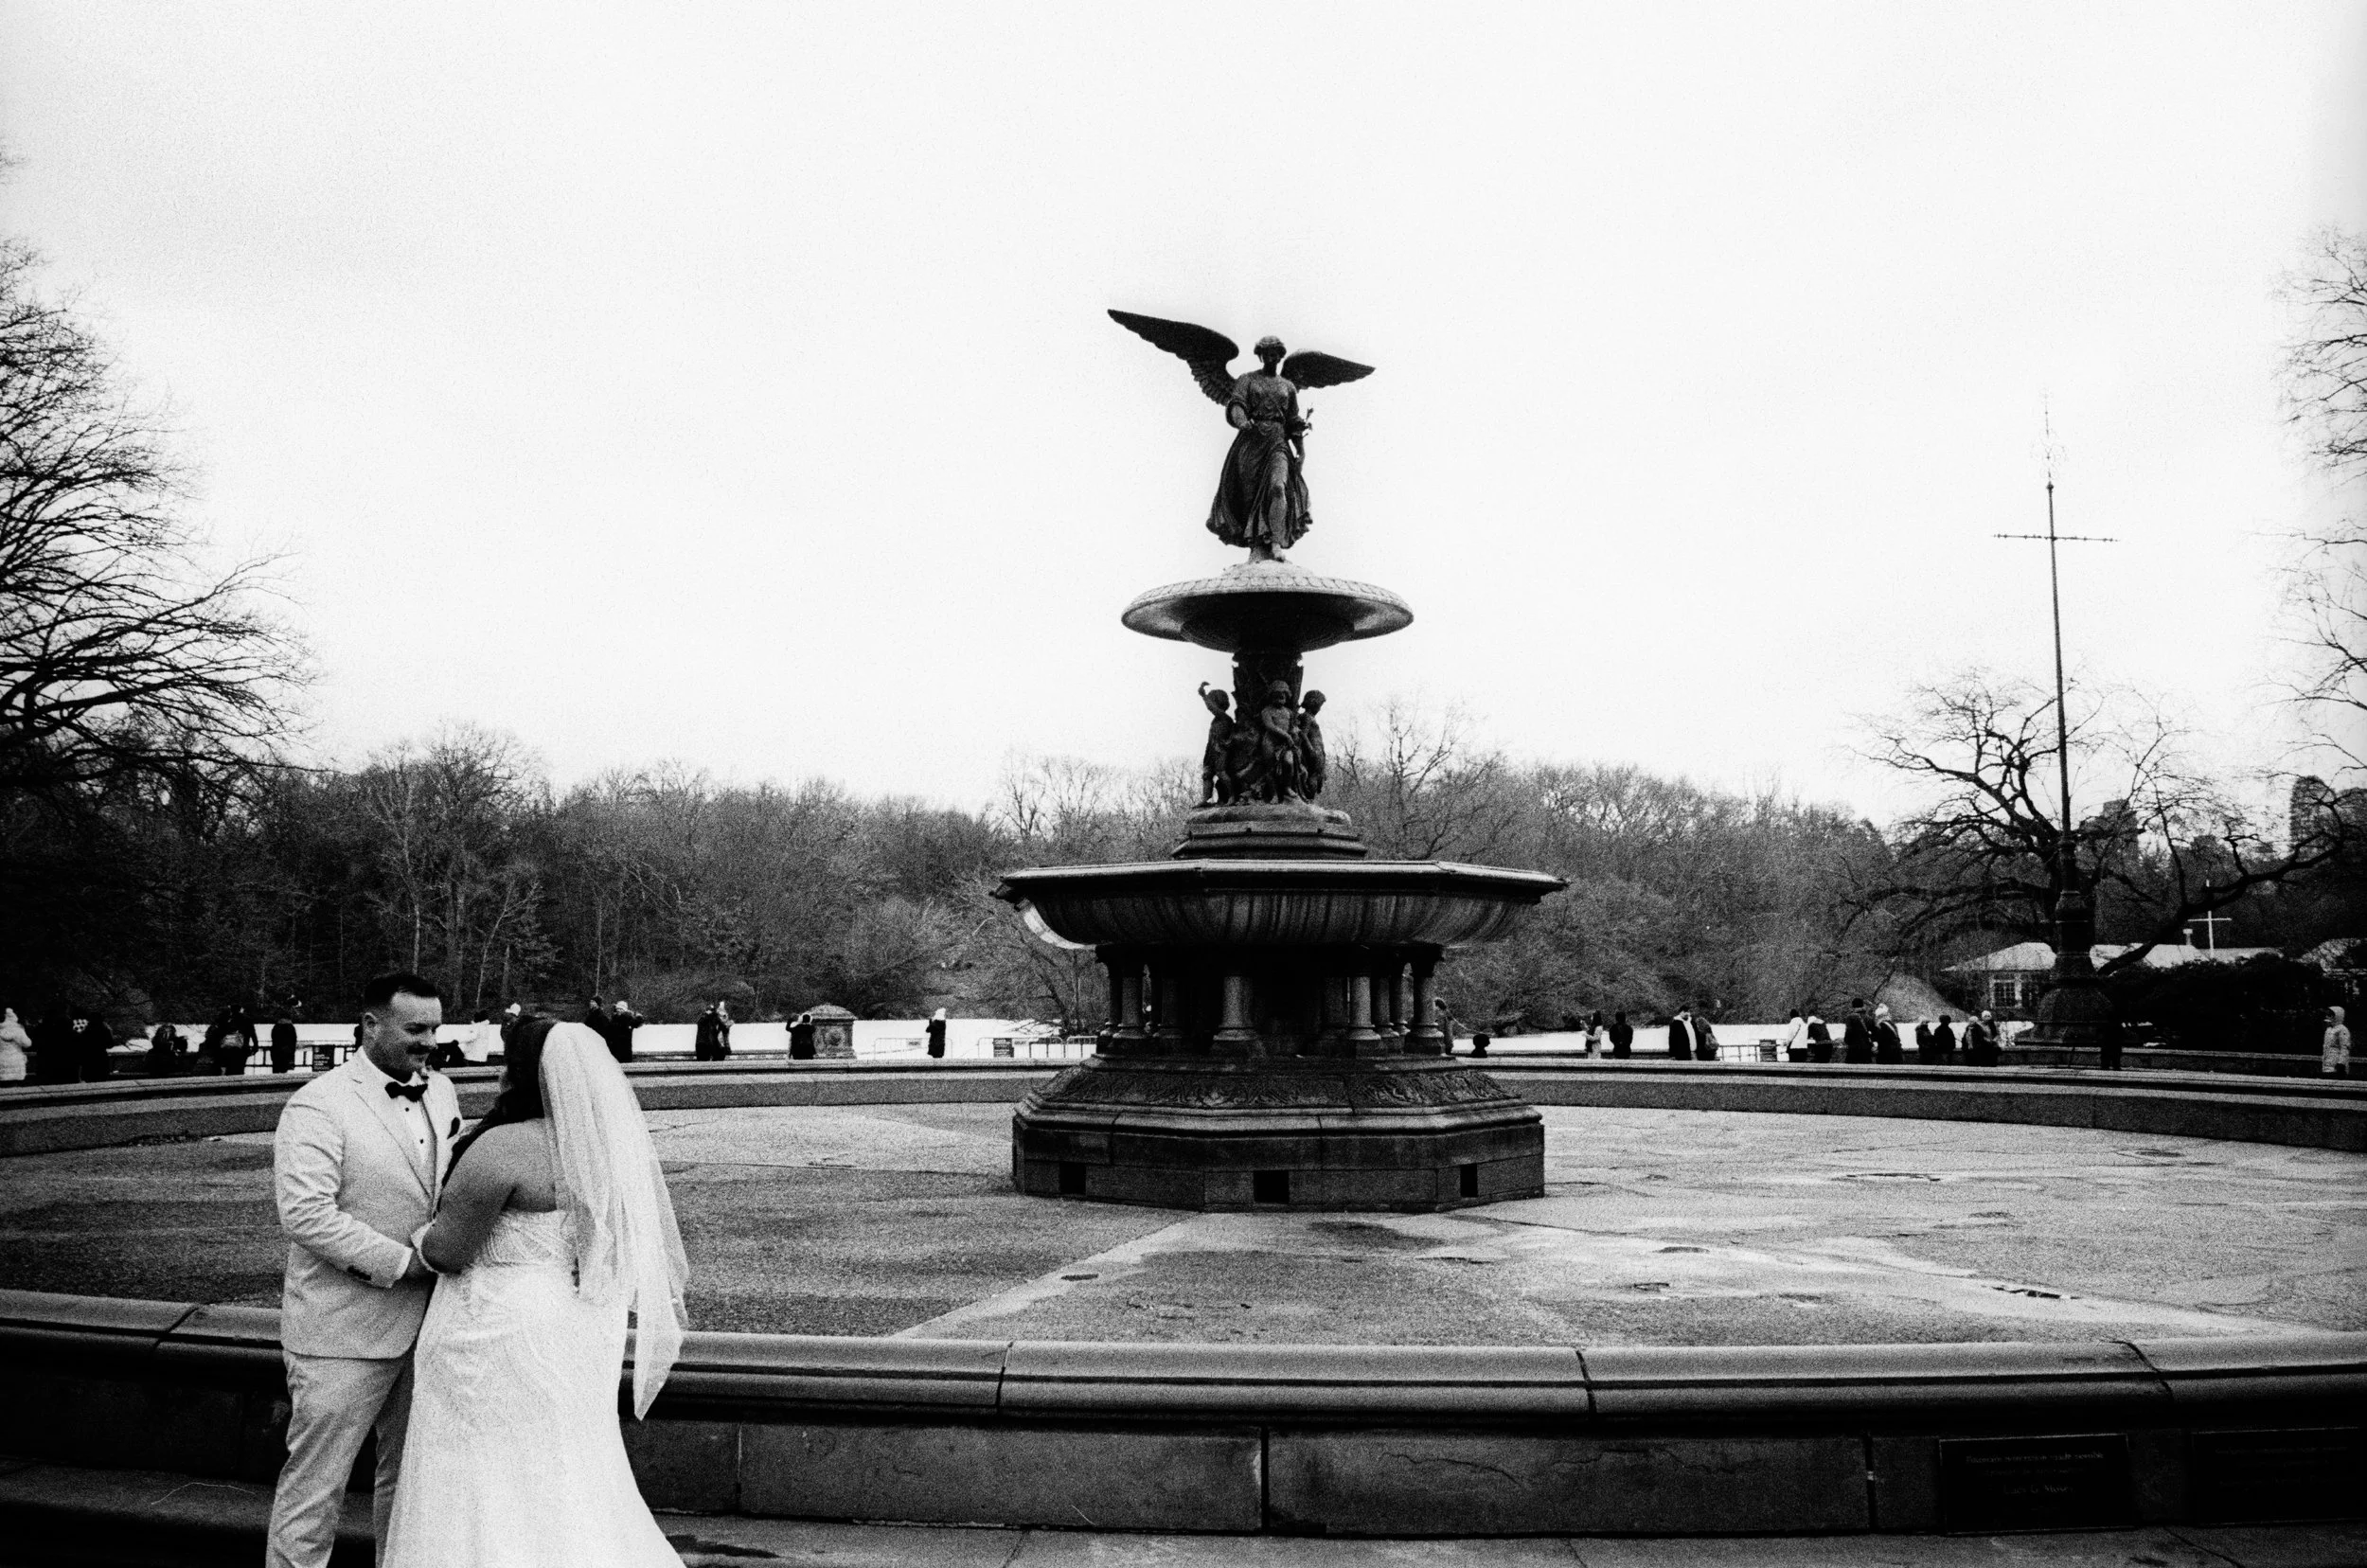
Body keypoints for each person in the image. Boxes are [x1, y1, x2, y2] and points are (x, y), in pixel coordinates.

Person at [383, 1019, 686, 1568]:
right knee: (565, 1460)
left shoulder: (504, 1147)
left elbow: (449, 1252)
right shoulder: (605, 1151)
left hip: (495, 1324)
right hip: (575, 1319)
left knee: (479, 1462)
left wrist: (416, 1235)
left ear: (522, 1073)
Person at [264, 971, 460, 1568]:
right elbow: (305, 1215)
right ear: (371, 1025)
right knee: (313, 1492)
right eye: (415, 1029)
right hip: (339, 1332)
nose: (429, 1041)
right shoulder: (318, 1103)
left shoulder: (444, 1090)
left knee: (408, 1487)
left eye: (435, 1028)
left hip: (429, 1330)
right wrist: (405, 1264)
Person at [606, 997, 643, 1063]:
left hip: (625, 1050)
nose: (619, 1010)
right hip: (615, 1050)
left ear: (624, 1010)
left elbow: (638, 1022)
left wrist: (638, 1016)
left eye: (621, 1009)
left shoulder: (628, 1019)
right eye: (618, 1009)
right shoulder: (614, 1019)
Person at [1842, 998, 1875, 1064]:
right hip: (1866, 1049)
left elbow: (1849, 1031)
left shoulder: (1850, 1017)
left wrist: (1846, 1041)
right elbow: (1874, 1033)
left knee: (1850, 1070)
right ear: (1862, 1005)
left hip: (1854, 1048)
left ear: (1853, 1006)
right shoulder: (1869, 1018)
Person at [0, 1007, 28, 1082]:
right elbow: (27, 1044)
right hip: (16, 1062)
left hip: (2, 1062)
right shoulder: (18, 1030)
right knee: (16, 1086)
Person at [2323, 1007, 2352, 1079]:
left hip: (2337, 1067)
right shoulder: (2329, 1029)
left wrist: (2341, 1063)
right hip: (2327, 1065)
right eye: (2327, 1014)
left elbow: (2345, 1048)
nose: (2327, 1017)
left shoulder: (2343, 1030)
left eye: (2330, 1015)